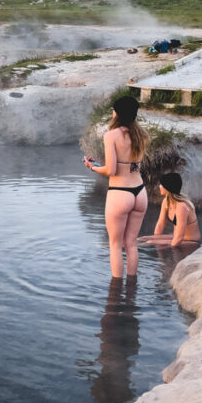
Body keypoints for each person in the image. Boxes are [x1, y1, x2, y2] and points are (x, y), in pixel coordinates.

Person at [84, 95, 149, 278]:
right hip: (139, 192)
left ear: (118, 113)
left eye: (113, 110)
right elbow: (134, 167)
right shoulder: (141, 135)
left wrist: (94, 168)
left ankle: (115, 297)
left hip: (120, 193)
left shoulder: (111, 136)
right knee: (132, 244)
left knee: (115, 245)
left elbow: (112, 170)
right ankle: (131, 289)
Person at [139, 172, 201, 248]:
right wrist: (156, 241)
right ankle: (124, 247)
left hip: (191, 242)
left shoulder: (182, 206)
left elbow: (178, 238)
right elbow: (160, 224)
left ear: (168, 187)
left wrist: (165, 248)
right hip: (177, 237)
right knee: (144, 238)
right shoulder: (166, 201)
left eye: (161, 184)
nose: (159, 187)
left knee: (150, 242)